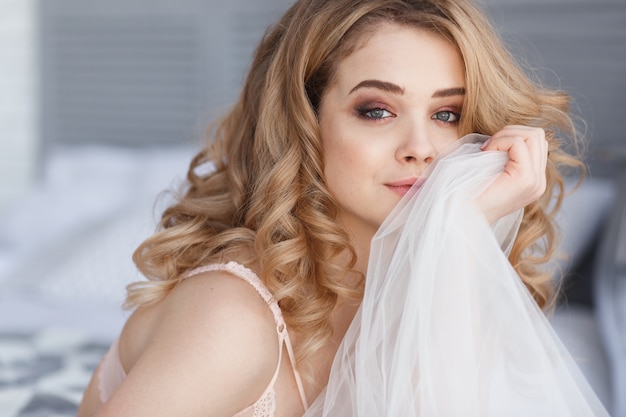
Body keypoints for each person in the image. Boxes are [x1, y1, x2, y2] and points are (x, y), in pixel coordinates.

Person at [77, 0, 594, 415]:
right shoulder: (232, 317)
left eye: (446, 113)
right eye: (376, 110)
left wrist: (459, 234)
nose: (421, 147)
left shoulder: (444, 280)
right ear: (306, 124)